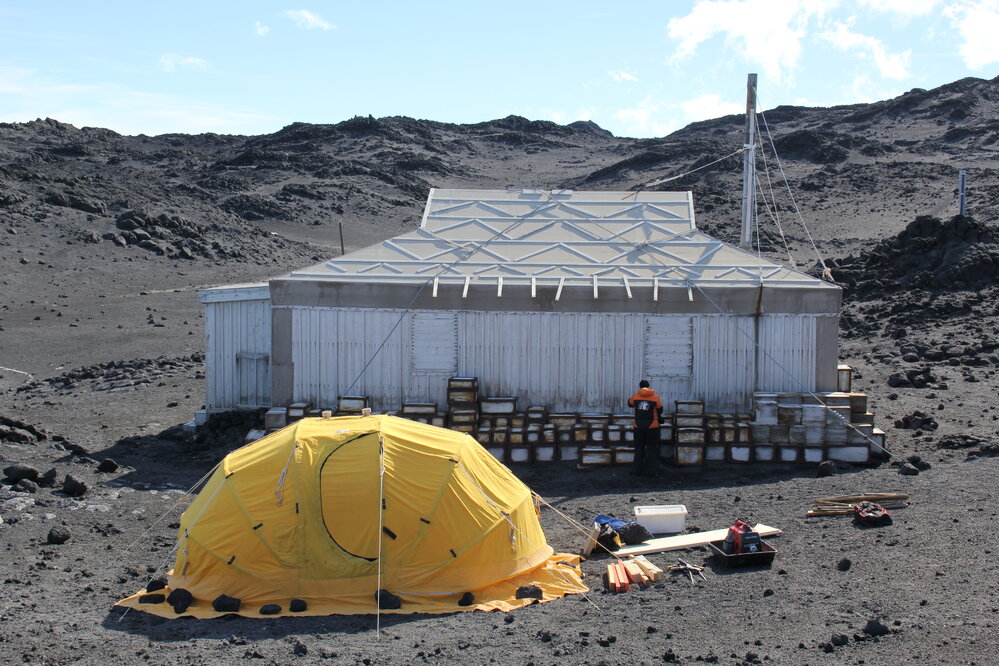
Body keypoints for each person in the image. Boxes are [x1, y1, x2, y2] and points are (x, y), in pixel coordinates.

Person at [628, 380, 664, 476]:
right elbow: (660, 409)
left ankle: (636, 470)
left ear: (640, 387)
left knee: (639, 449)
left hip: (638, 427)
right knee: (651, 449)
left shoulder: (635, 396)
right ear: (649, 386)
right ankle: (653, 471)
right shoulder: (655, 397)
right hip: (652, 427)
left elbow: (629, 403)